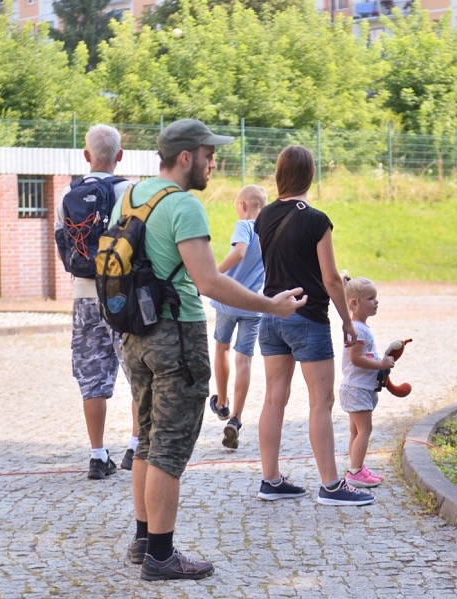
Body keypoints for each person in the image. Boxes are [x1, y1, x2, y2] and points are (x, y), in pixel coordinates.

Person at [119, 119, 306, 581]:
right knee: (169, 447)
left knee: (146, 436)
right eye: (208, 153)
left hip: (134, 333)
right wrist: (270, 305)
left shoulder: (134, 196)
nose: (213, 161)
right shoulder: (183, 206)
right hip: (174, 337)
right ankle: (161, 555)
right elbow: (209, 281)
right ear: (186, 158)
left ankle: (143, 540)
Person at [254, 145, 375, 507]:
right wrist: (347, 321)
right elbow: (332, 279)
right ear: (310, 174)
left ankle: (271, 479)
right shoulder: (316, 219)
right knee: (320, 401)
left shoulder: (263, 217)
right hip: (308, 318)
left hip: (272, 315)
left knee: (274, 399)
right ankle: (331, 485)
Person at [55, 124, 139, 480]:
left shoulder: (67, 197)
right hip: (123, 297)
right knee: (140, 373)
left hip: (84, 297)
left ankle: (97, 455)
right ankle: (136, 448)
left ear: (87, 156)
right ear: (119, 156)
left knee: (92, 377)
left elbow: (64, 248)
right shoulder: (132, 193)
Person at [207, 184, 268, 449]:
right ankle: (236, 418)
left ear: (243, 206)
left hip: (228, 299)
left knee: (222, 347)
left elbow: (239, 252)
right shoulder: (270, 231)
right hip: (255, 303)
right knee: (244, 359)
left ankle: (221, 402)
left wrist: (213, 274)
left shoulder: (245, 225)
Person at [339, 274, 392, 488]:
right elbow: (356, 358)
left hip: (357, 387)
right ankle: (355, 472)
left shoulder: (360, 327)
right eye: (370, 298)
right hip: (357, 388)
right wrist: (381, 365)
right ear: (354, 303)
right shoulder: (358, 329)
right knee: (364, 430)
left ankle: (356, 466)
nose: (376, 302)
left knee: (355, 431)